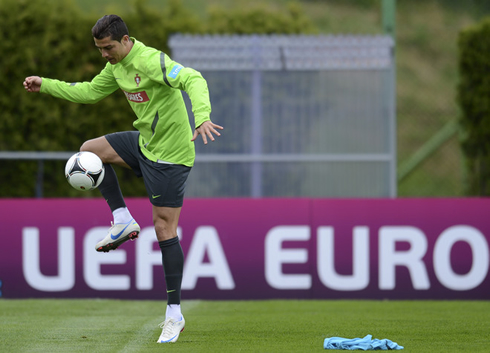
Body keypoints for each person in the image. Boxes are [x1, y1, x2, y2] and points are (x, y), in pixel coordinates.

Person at [23, 14, 222, 344]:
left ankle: (174, 314)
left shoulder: (150, 60)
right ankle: (122, 219)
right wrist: (44, 84)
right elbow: (87, 93)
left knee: (163, 229)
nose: (104, 54)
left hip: (171, 157)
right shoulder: (116, 67)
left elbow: (193, 79)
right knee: (89, 151)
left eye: (109, 47)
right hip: (145, 144)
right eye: (100, 49)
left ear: (126, 41)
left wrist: (201, 116)